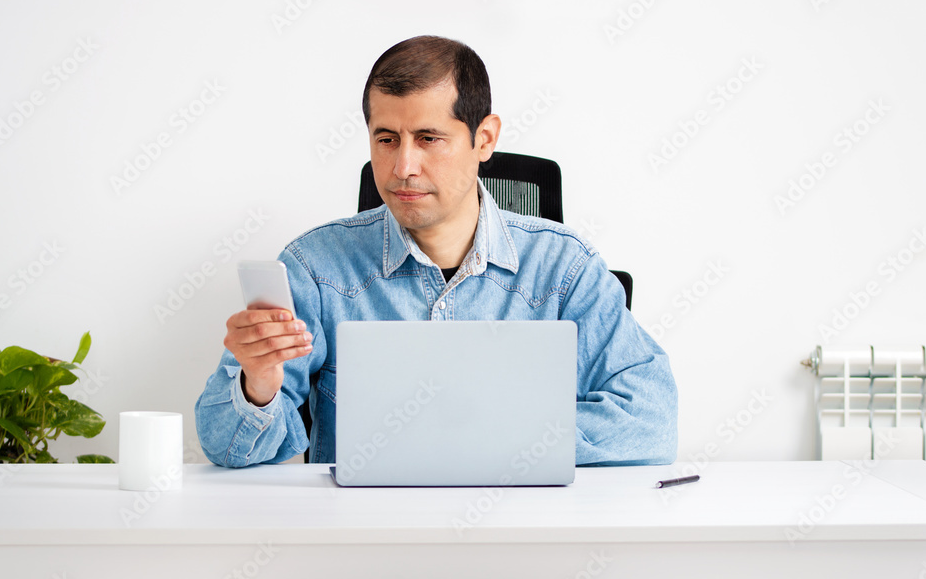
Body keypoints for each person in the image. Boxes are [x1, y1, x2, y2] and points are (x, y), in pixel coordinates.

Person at [195, 35, 677, 467]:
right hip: (362, 542)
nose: (403, 166)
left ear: (483, 139)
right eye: (386, 139)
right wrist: (257, 386)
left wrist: (485, 442)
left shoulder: (564, 269)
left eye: (428, 139)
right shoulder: (315, 268)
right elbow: (226, 450)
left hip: (522, 539)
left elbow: (649, 420)